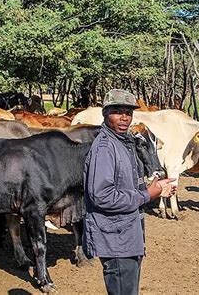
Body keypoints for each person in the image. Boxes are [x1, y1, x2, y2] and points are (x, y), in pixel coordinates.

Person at [83, 89, 176, 295]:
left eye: (128, 112)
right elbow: (101, 196)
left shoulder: (122, 142)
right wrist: (147, 195)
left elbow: (122, 188)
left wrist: (157, 189)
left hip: (125, 236)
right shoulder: (105, 148)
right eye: (117, 112)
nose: (124, 118)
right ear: (105, 114)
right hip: (116, 240)